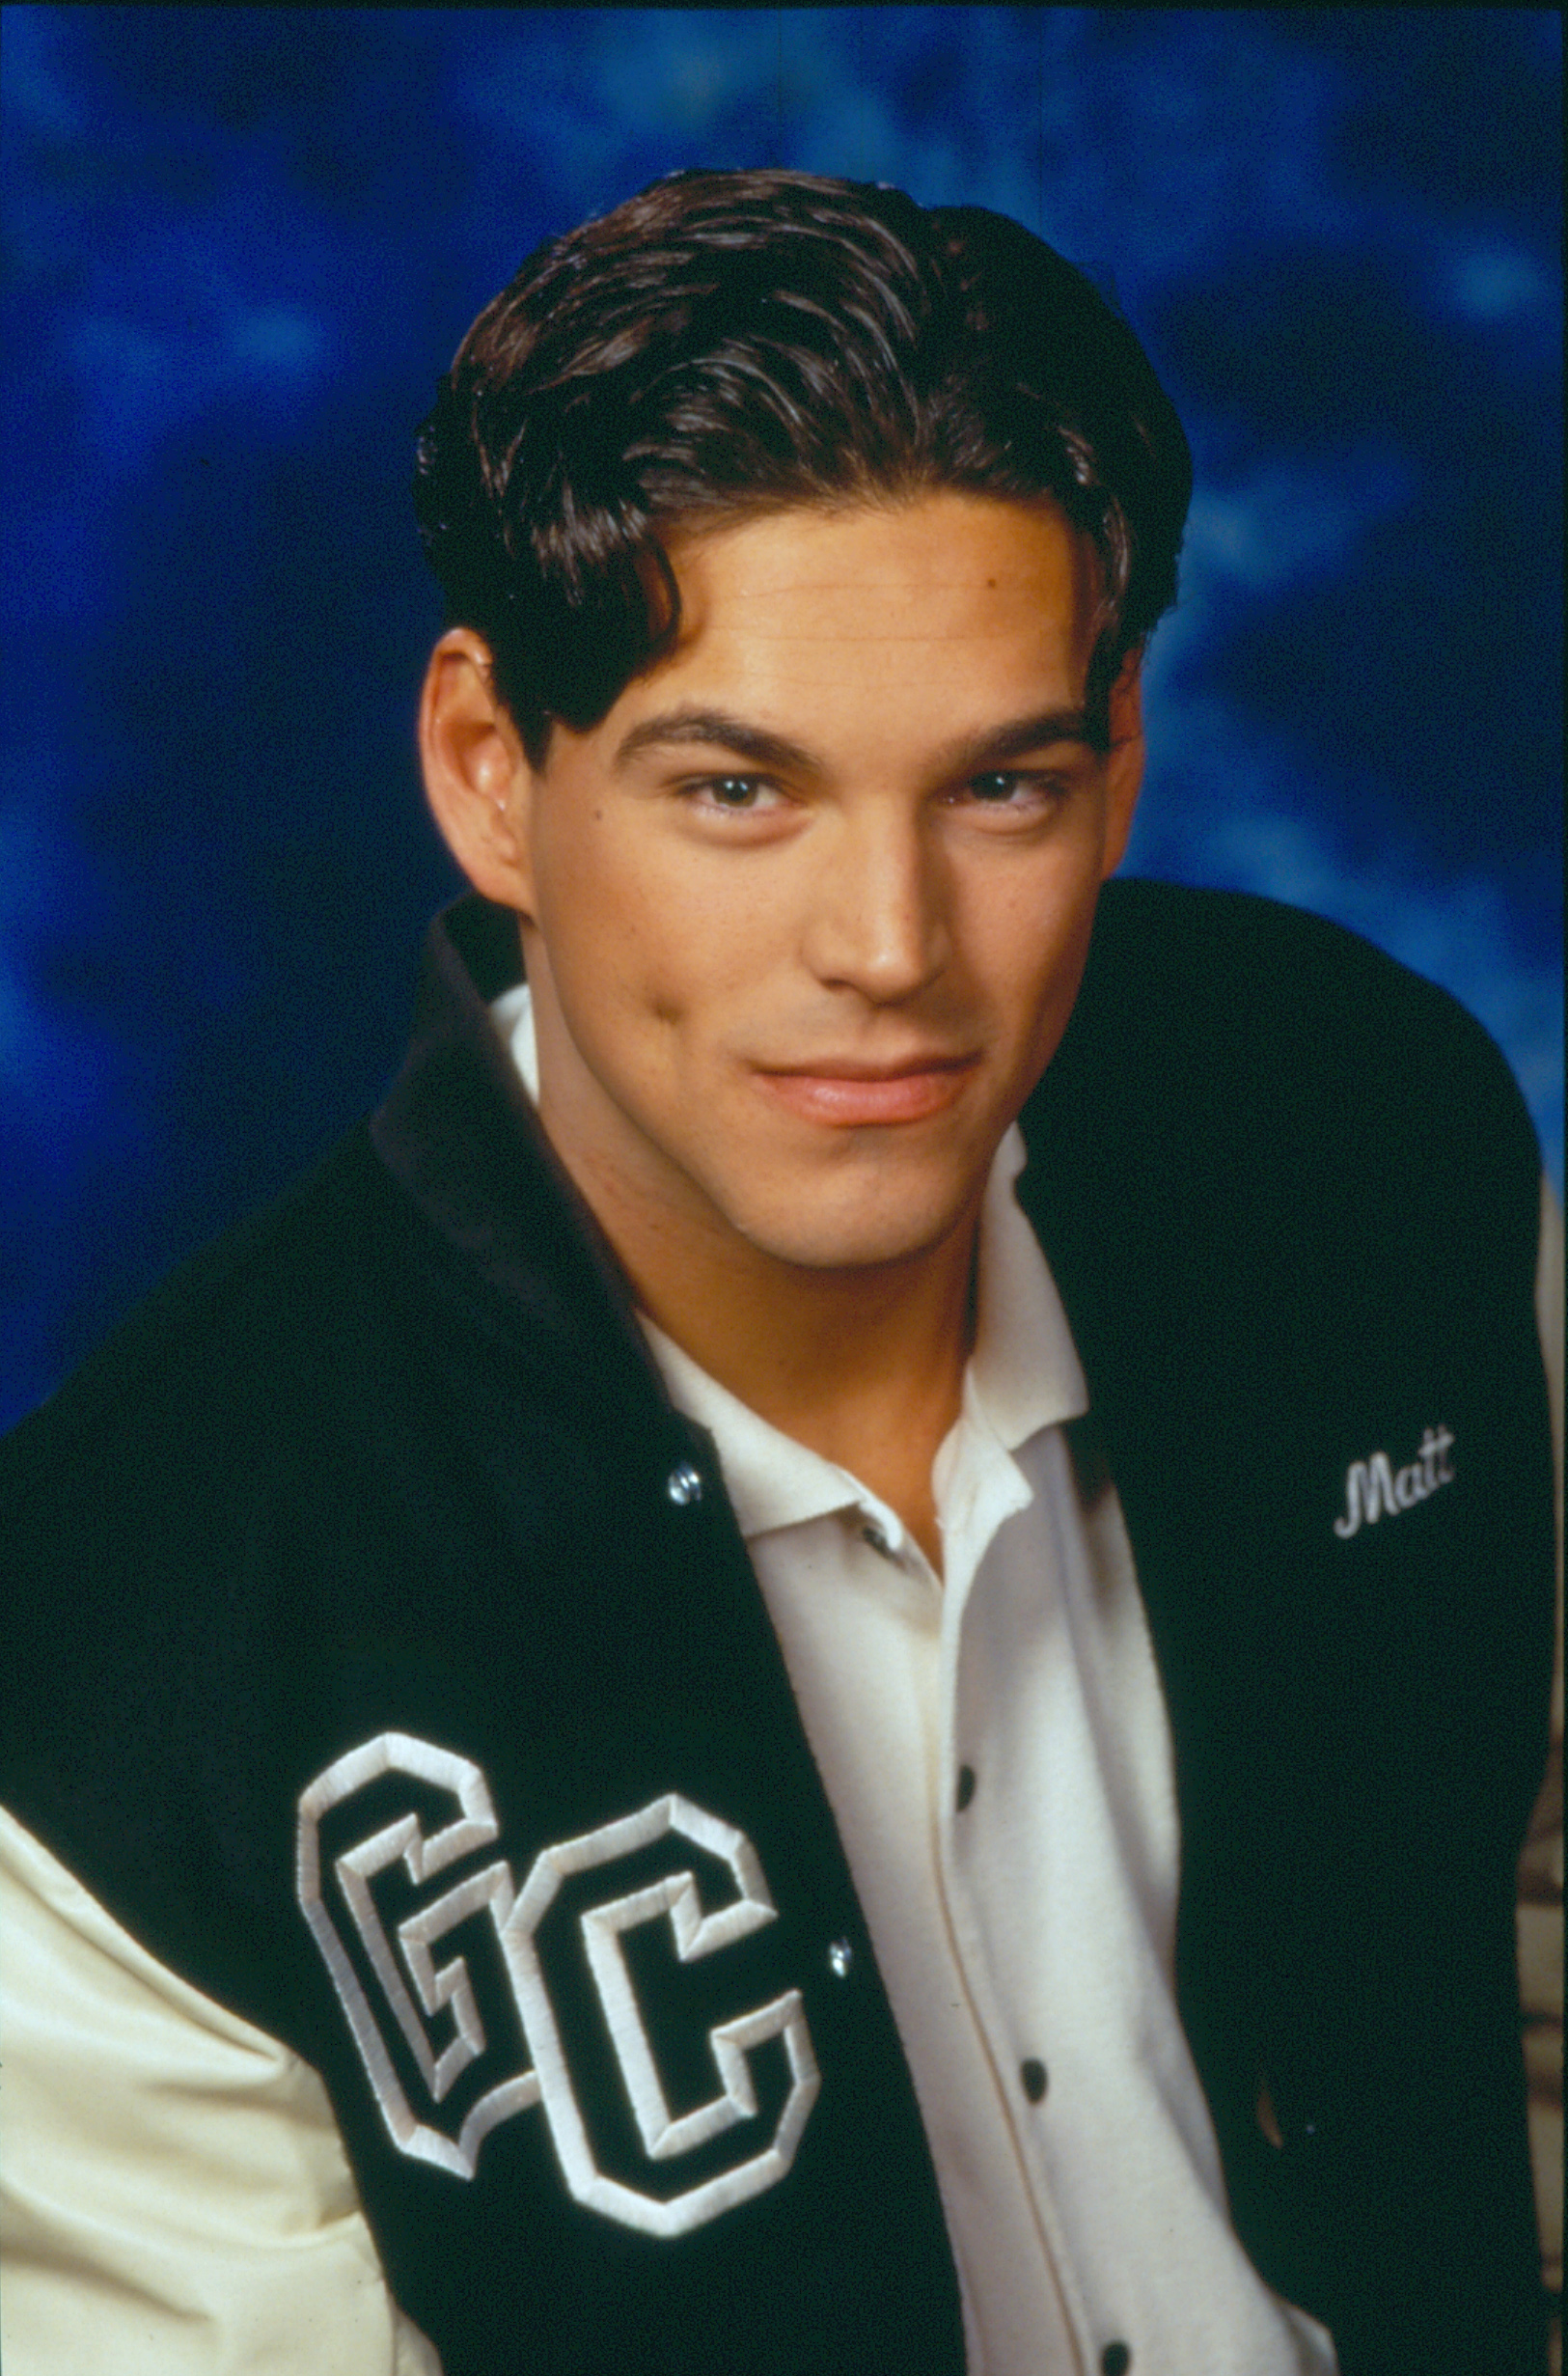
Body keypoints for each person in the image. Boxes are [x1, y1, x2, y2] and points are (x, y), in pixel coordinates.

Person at [0, 170, 1558, 2376]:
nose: (894, 953)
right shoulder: (106, 1654)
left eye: (1000, 786)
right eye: (740, 792)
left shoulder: (1361, 1133)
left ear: (1121, 767)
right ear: (489, 776)